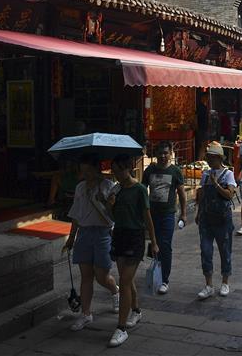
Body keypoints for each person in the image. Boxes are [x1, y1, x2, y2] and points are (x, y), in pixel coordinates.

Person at [105, 154, 158, 348]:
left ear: (128, 168)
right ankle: (136, 310)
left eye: (118, 170)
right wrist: (108, 204)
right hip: (119, 235)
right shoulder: (116, 189)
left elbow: (147, 217)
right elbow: (113, 216)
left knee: (125, 281)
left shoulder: (140, 189)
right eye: (114, 171)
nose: (116, 174)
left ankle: (121, 328)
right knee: (126, 280)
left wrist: (154, 242)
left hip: (135, 237)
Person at [63, 155, 120, 333]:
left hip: (103, 233)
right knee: (86, 276)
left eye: (88, 170)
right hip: (84, 234)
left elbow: (113, 215)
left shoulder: (108, 186)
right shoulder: (80, 187)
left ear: (97, 169)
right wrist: (71, 238)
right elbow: (76, 214)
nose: (85, 174)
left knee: (102, 276)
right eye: (83, 171)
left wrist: (100, 200)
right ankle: (86, 313)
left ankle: (115, 290)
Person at [142, 142, 187, 294]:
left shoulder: (175, 171)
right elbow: (142, 191)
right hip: (152, 214)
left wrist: (183, 213)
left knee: (165, 245)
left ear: (171, 153)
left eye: (166, 153)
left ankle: (164, 280)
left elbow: (182, 194)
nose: (163, 156)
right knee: (154, 243)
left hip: (168, 214)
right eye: (160, 153)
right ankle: (156, 269)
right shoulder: (149, 171)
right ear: (155, 154)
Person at [195, 141, 237, 299]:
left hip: (223, 219)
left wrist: (216, 184)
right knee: (206, 251)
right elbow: (202, 195)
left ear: (219, 158)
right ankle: (209, 284)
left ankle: (225, 282)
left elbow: (229, 194)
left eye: (212, 157)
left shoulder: (228, 174)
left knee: (225, 250)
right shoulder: (206, 174)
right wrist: (199, 213)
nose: (209, 160)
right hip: (206, 218)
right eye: (208, 157)